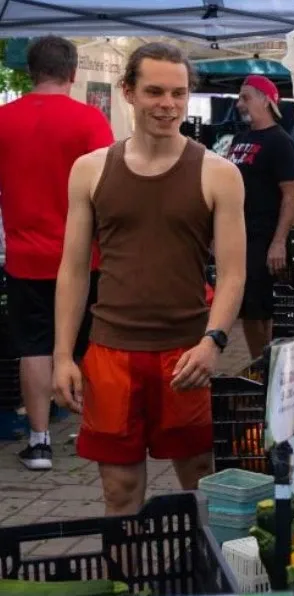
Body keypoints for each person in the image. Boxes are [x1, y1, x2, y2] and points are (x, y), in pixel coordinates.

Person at [53, 42, 247, 515]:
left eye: (178, 94)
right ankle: (125, 583)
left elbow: (234, 273)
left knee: (200, 480)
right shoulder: (90, 170)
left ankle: (203, 580)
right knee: (118, 490)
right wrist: (62, 355)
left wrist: (213, 342)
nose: (168, 104)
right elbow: (74, 268)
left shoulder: (219, 174)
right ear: (129, 92)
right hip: (111, 354)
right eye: (155, 91)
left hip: (185, 354)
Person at [0, 36, 113, 470]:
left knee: (35, 346)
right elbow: (109, 187)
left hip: (26, 255)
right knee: (90, 346)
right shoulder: (89, 121)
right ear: (73, 71)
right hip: (84, 257)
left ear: (32, 71)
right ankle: (95, 430)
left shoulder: (4, 120)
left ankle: (40, 440)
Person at [227, 75, 294, 359]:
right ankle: (262, 363)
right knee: (247, 306)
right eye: (239, 97)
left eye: (246, 97)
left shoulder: (280, 143)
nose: (239, 104)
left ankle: (263, 365)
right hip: (237, 236)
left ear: (266, 100)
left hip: (262, 236)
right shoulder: (240, 138)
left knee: (257, 307)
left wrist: (278, 242)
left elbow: (290, 196)